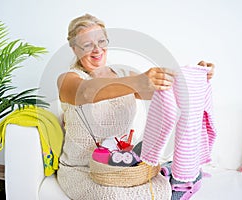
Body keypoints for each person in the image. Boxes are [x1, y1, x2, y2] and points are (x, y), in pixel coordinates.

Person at [56, 13, 215, 200]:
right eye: (87, 45)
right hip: (82, 169)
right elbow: (85, 93)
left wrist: (193, 76)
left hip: (122, 167)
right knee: (110, 196)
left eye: (101, 41)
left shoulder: (125, 74)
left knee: (154, 190)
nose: (97, 50)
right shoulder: (68, 79)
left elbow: (166, 91)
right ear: (74, 48)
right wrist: (138, 82)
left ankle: (174, 175)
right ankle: (172, 178)